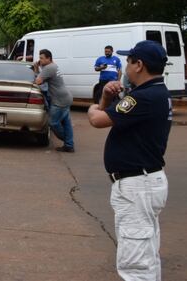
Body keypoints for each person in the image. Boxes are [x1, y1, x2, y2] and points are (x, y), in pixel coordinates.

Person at [87, 40, 171, 280]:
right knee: (146, 252)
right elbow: (109, 114)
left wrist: (94, 107)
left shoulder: (142, 98)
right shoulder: (156, 92)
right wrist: (105, 98)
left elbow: (97, 120)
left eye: (129, 60)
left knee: (135, 261)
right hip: (144, 181)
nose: (126, 65)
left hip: (137, 185)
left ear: (139, 65)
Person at [34, 49, 75, 152]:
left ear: (48, 58)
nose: (40, 60)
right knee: (66, 123)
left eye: (42, 58)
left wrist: (35, 69)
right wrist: (41, 66)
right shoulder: (53, 65)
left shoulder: (48, 68)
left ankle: (67, 141)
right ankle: (69, 145)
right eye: (40, 58)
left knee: (53, 123)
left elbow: (38, 81)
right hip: (66, 97)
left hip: (59, 100)